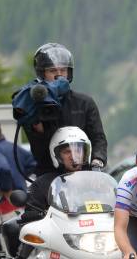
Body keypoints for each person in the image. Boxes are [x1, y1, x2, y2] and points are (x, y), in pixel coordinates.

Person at [3, 126, 90, 259]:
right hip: (54, 241)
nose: (73, 155)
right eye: (67, 151)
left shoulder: (96, 180)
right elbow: (31, 212)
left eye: (78, 150)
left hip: (87, 240)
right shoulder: (44, 183)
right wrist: (35, 217)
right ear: (57, 155)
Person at [23, 42, 108, 175]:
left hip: (83, 173)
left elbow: (98, 138)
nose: (59, 75)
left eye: (63, 70)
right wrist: (37, 126)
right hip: (49, 176)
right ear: (42, 74)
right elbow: (38, 151)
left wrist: (97, 159)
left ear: (69, 72)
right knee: (33, 194)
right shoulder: (34, 107)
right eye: (52, 71)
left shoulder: (85, 103)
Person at [0, 118, 36, 242]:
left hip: (7, 206)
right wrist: (20, 176)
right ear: (0, 130)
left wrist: (7, 192)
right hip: (23, 202)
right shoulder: (13, 147)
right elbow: (33, 163)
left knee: (10, 249)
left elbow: (3, 170)